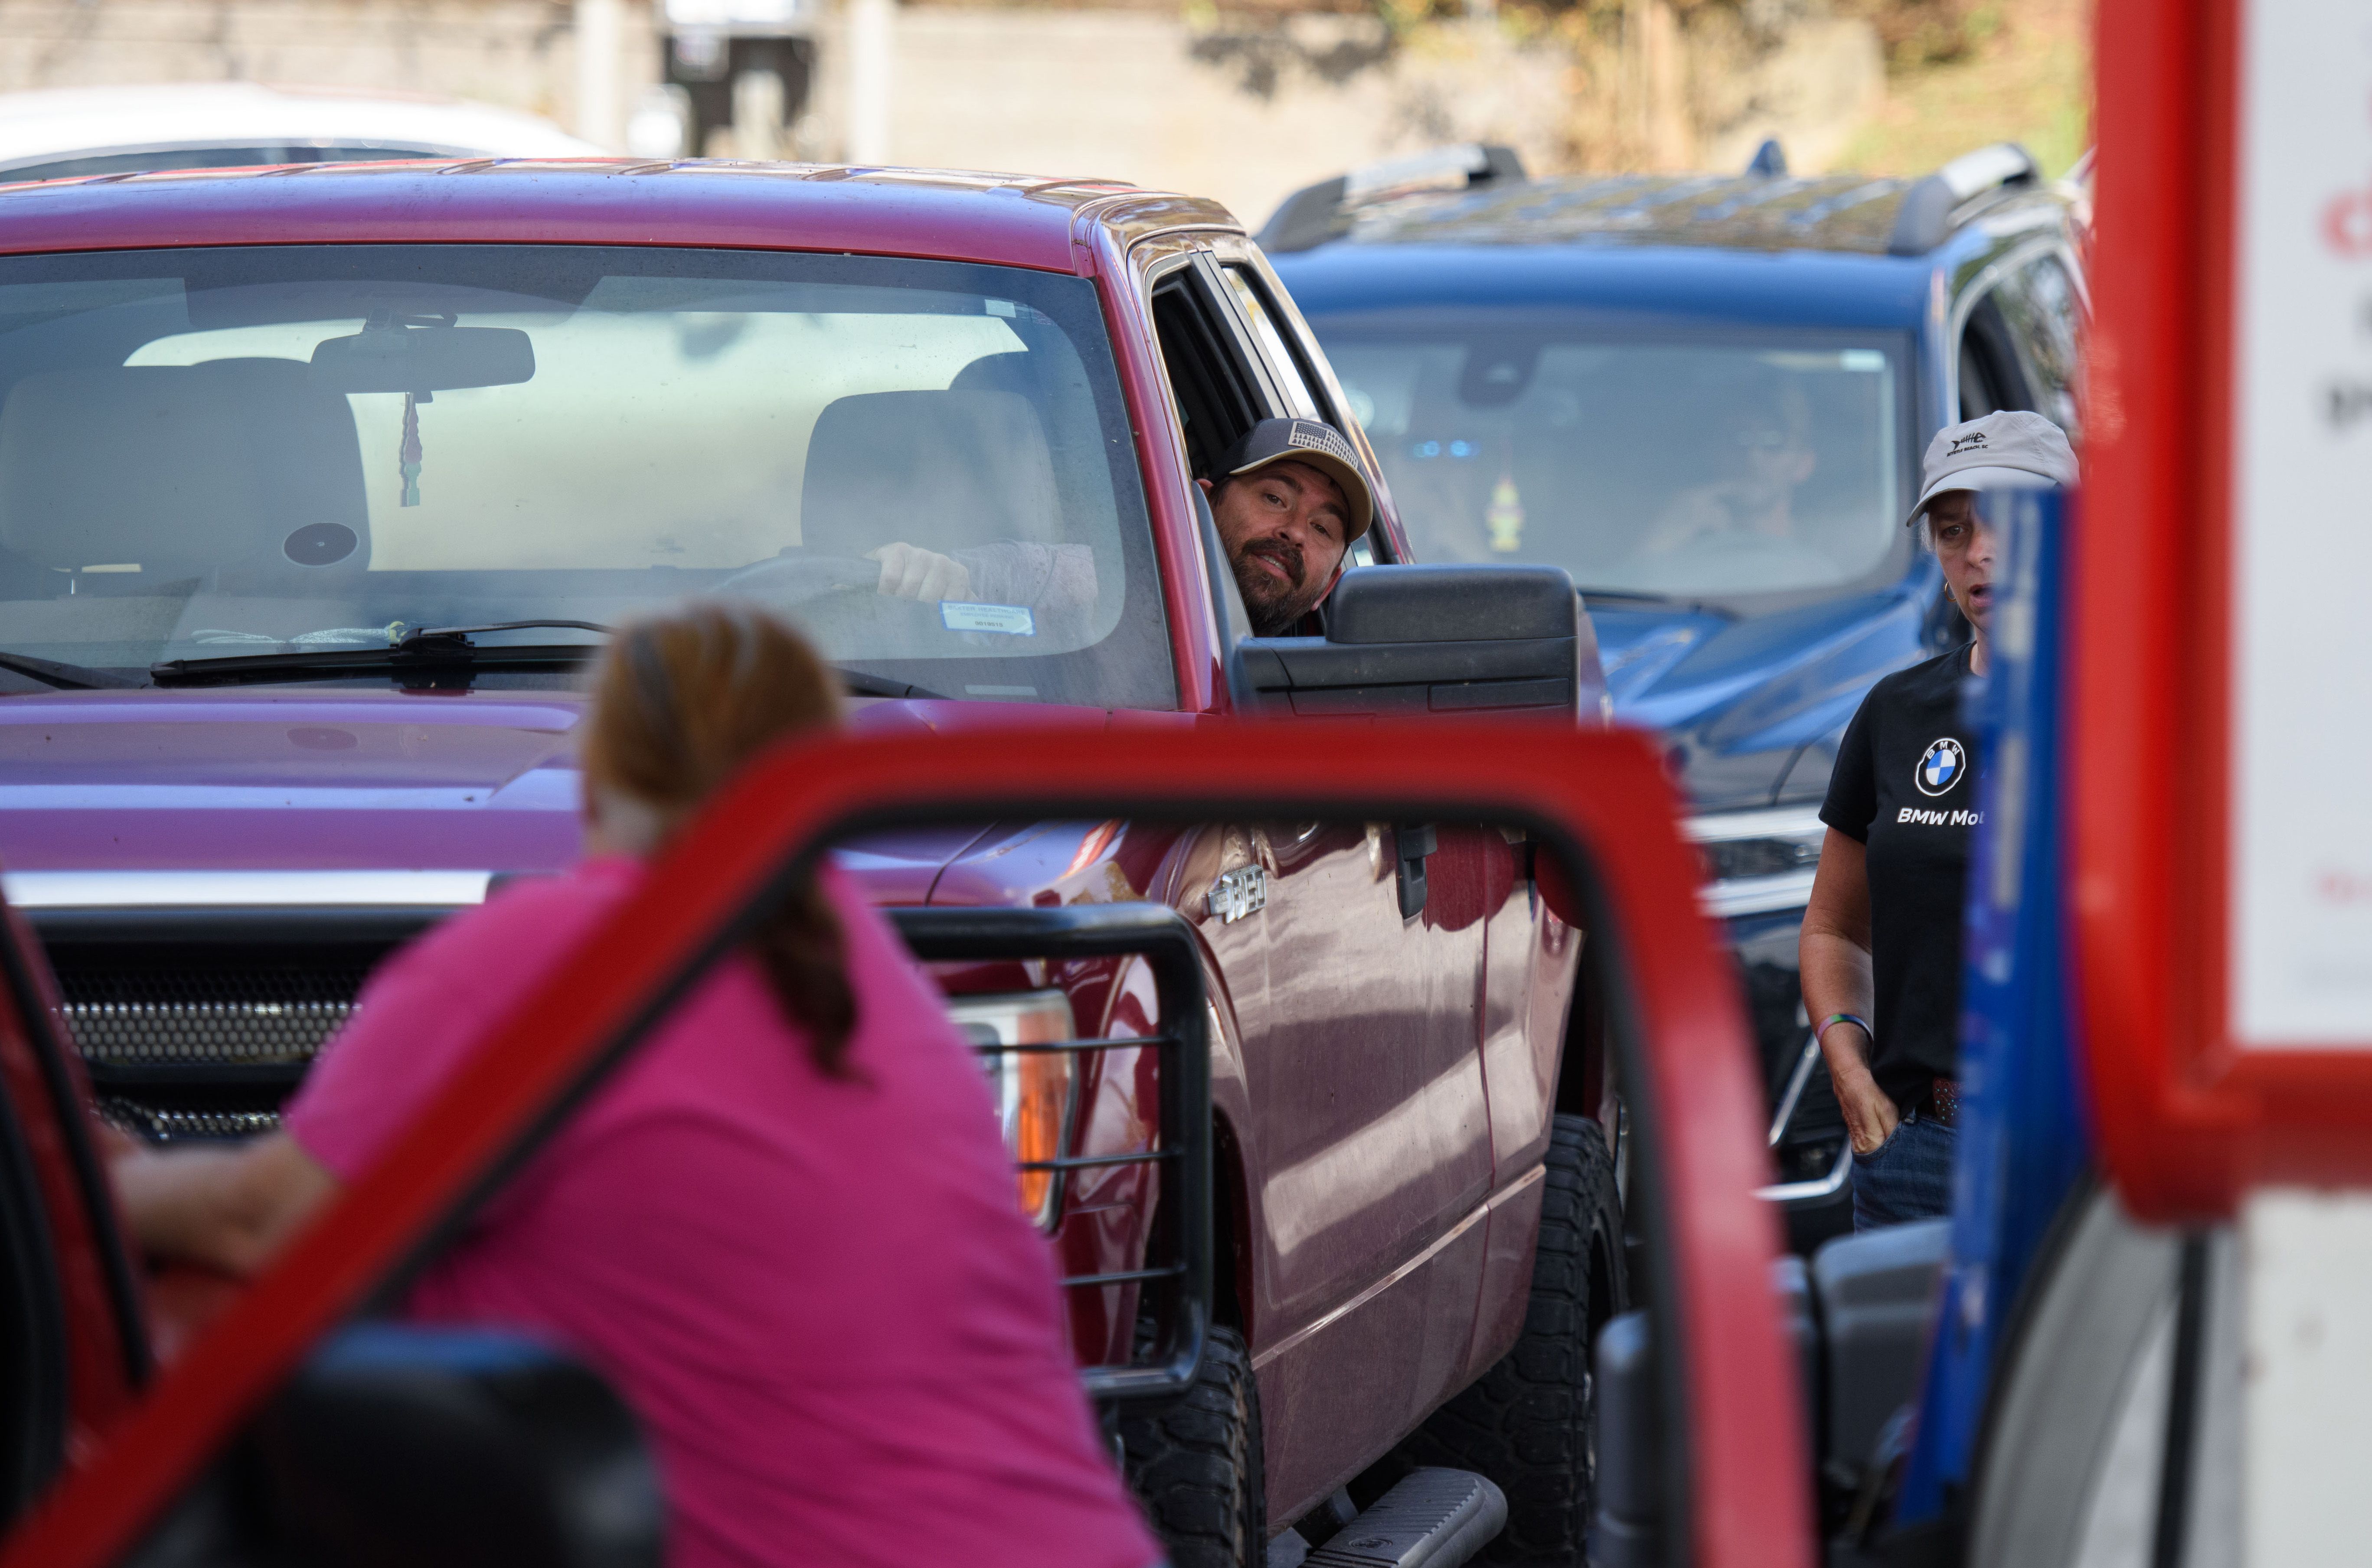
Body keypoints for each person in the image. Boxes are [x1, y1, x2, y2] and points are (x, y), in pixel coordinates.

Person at [108, 602, 1163, 1568]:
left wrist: (90, 1173)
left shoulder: (560, 953)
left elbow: (267, 1227)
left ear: (598, 766)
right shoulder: (871, 978)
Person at [1797, 411, 2076, 1230]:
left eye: (2005, 522)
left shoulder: (2144, 713)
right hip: (1918, 1158)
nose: (1978, 552)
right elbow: (1835, 931)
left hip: (2079, 1157)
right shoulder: (1897, 712)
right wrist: (1851, 1072)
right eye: (1954, 531)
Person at [872, 417, 1376, 639]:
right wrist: (930, 573)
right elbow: (998, 578)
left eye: (1321, 528)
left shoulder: (1334, 704)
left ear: (1330, 584)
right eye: (1274, 498)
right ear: (1199, 504)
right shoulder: (1107, 588)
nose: (1293, 532)